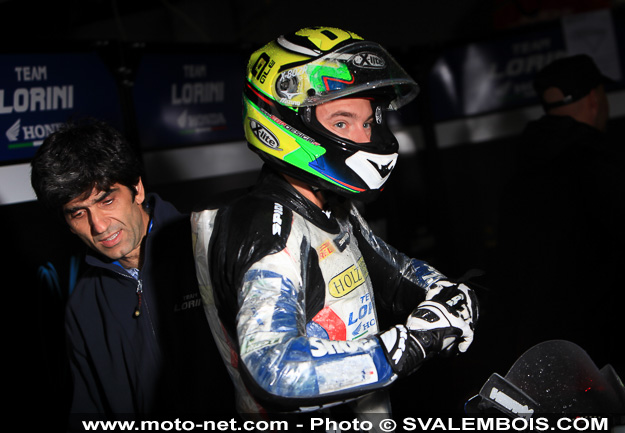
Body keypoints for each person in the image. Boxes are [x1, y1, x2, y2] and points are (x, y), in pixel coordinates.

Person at [191, 26, 479, 424]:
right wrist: (406, 346)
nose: (363, 136)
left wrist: (443, 292)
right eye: (342, 123)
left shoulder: (330, 205)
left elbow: (395, 273)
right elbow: (273, 369)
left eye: (367, 121)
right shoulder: (268, 225)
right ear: (284, 119)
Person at [30, 119, 233, 426]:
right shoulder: (83, 306)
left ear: (136, 189)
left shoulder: (210, 250)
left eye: (106, 200)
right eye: (78, 212)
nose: (99, 225)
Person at [496, 55, 625, 391]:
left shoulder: (520, 168)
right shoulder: (599, 161)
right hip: (608, 356)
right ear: (596, 98)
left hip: (538, 355)